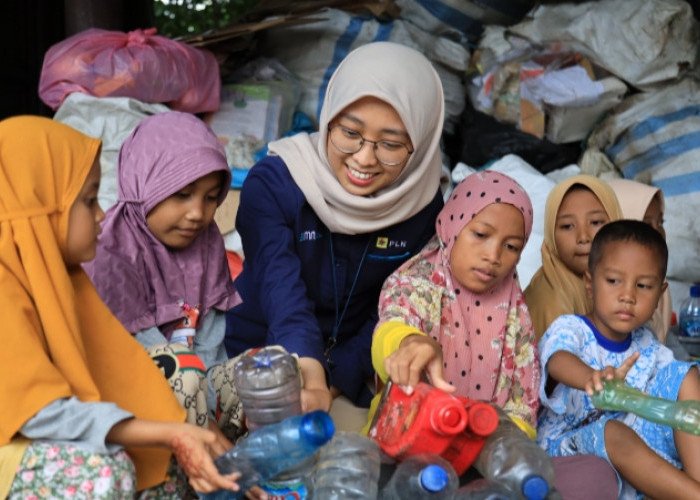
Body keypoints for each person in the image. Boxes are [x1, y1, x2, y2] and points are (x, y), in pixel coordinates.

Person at [0, 115, 240, 498]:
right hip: (15, 440)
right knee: (105, 471)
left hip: (54, 427)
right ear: (41, 209)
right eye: (89, 200)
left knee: (166, 456)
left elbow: (121, 375)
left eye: (211, 198)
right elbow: (41, 411)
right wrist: (174, 430)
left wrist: (183, 430)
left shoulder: (64, 278)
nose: (100, 215)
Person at [224, 42, 445, 417]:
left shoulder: (423, 208)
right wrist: (309, 373)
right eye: (349, 132)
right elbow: (281, 289)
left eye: (390, 144)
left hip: (354, 369)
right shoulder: (275, 184)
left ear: (420, 146)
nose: (364, 158)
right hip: (257, 355)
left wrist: (335, 379)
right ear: (328, 118)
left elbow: (393, 304)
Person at [369, 170, 618, 499]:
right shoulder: (414, 283)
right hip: (411, 450)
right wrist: (409, 343)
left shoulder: (514, 309)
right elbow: (394, 325)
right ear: (453, 225)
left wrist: (493, 443)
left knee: (596, 475)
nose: (493, 256)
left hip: (486, 460)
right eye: (480, 235)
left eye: (511, 246)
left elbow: (522, 404)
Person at [83, 111, 244, 439]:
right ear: (144, 183)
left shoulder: (206, 242)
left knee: (264, 370)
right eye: (182, 194)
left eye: (211, 198)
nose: (197, 213)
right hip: (133, 400)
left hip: (195, 382)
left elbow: (210, 340)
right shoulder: (107, 251)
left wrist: (211, 402)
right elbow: (132, 353)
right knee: (181, 369)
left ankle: (242, 465)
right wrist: (207, 427)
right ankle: (197, 476)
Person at [537, 219, 700, 499]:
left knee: (685, 375)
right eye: (613, 281)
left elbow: (674, 391)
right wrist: (590, 376)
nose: (627, 296)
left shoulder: (647, 343)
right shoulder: (572, 328)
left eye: (644, 286)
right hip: (570, 444)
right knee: (613, 431)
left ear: (660, 295)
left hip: (635, 444)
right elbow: (557, 359)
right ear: (590, 284)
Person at [524, 174, 623, 339]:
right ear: (551, 235)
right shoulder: (552, 303)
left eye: (596, 222)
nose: (583, 237)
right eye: (568, 226)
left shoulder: (620, 284)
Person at [608, 178, 672, 343]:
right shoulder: (604, 288)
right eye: (646, 223)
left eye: (660, 222)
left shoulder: (658, 281)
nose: (658, 232)